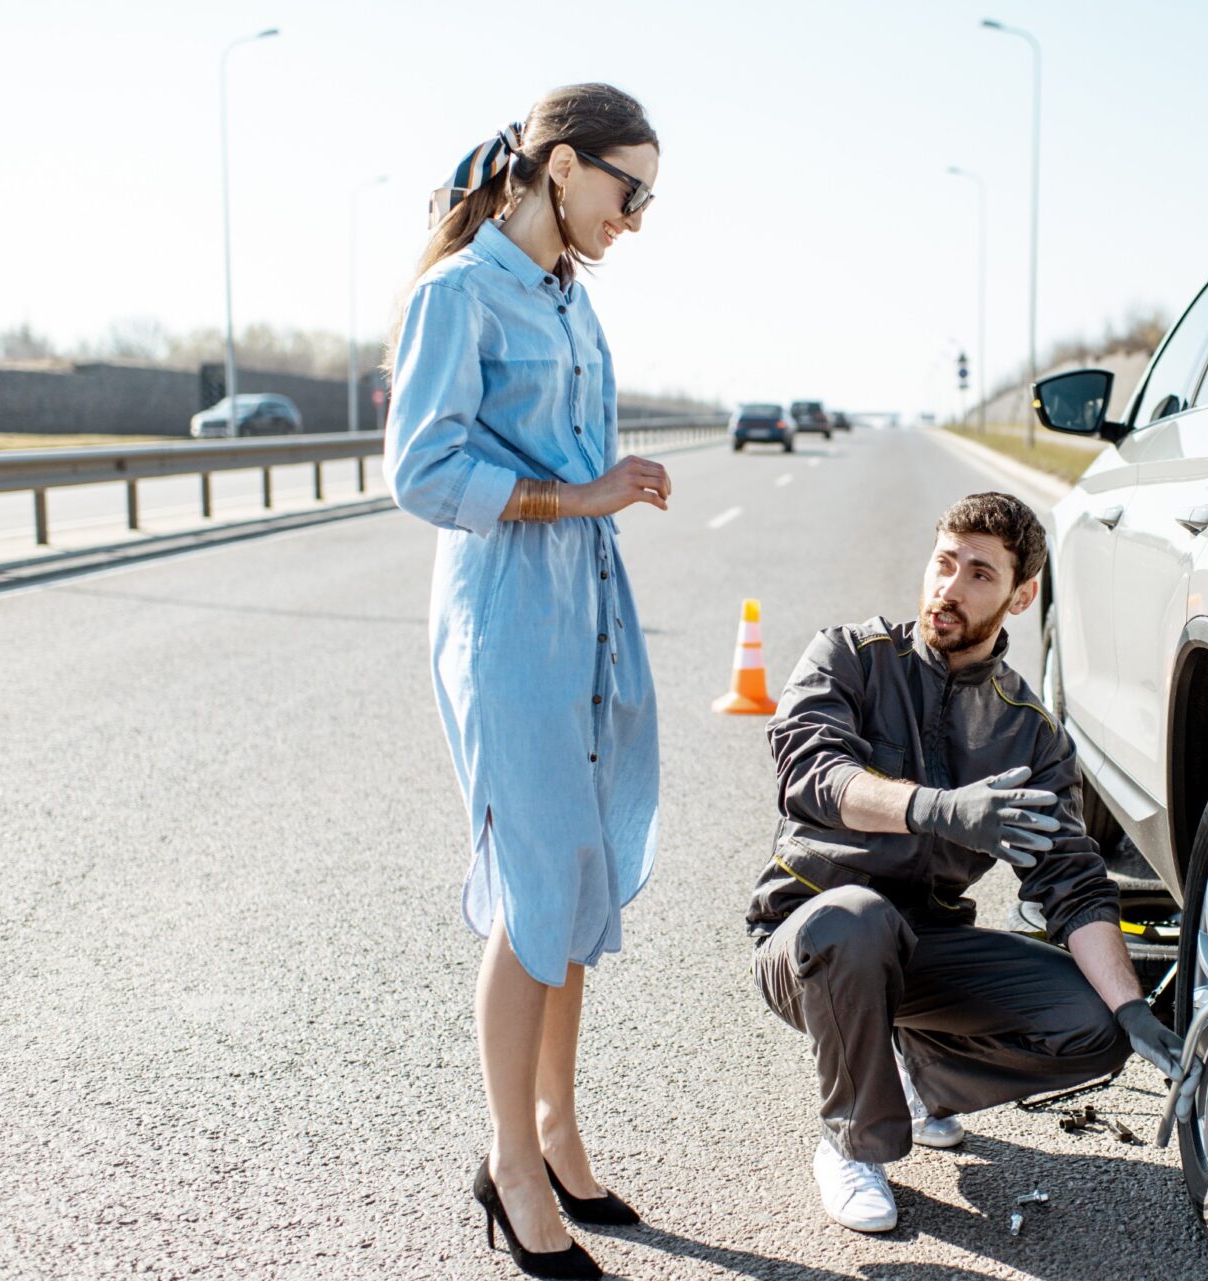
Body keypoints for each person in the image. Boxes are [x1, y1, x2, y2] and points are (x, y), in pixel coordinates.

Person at [383, 84, 667, 1281]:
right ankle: (509, 1164)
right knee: (532, 884)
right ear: (560, 166)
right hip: (507, 618)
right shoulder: (458, 293)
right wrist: (580, 495)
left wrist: (603, 489)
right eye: (627, 189)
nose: (637, 217)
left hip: (586, 610)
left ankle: (557, 1132)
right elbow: (420, 467)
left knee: (581, 872)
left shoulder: (568, 297)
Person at [747, 492, 1195, 1233]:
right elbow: (810, 775)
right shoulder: (849, 658)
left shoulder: (1031, 736)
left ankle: (910, 1078)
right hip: (809, 936)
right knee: (856, 921)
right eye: (944, 562)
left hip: (926, 948)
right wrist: (935, 807)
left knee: (1092, 1021)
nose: (949, 587)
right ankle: (852, 1140)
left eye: (979, 574)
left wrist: (1131, 1008)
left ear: (1021, 597)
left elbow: (1073, 885)